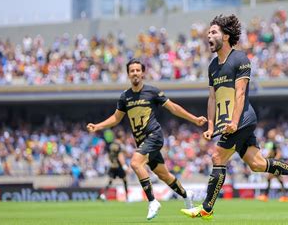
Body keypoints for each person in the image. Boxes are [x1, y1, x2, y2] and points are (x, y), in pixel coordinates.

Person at [181, 14, 288, 220]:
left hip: (242, 118)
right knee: (257, 164)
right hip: (227, 122)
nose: (208, 35)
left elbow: (240, 93)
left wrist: (234, 122)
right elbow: (213, 98)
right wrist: (210, 126)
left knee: (218, 157)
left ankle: (206, 209)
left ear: (226, 36)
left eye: (213, 32)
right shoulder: (212, 66)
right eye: (208, 32)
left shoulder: (240, 59)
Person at [87, 58, 207, 220]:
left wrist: (194, 119)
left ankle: (152, 201)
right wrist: (98, 126)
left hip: (154, 136)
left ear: (143, 73)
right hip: (142, 141)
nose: (135, 73)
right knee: (164, 175)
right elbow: (116, 118)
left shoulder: (153, 92)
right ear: (128, 74)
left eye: (138, 70)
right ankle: (187, 196)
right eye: (132, 71)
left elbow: (173, 108)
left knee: (135, 163)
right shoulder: (125, 97)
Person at [256, 128, 288, 202]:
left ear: (274, 134)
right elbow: (268, 152)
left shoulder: (275, 143)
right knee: (278, 179)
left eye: (271, 133)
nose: (269, 134)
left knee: (270, 178)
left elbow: (279, 153)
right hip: (270, 162)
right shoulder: (268, 142)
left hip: (274, 163)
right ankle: (284, 196)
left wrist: (275, 161)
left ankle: (265, 195)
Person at [99, 131, 129, 201]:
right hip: (118, 166)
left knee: (110, 181)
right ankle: (127, 198)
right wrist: (124, 166)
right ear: (121, 137)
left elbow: (109, 155)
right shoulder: (119, 145)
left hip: (112, 165)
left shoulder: (111, 144)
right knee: (125, 180)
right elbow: (120, 156)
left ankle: (103, 195)